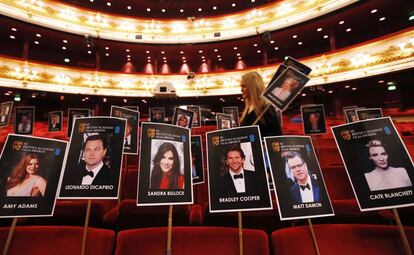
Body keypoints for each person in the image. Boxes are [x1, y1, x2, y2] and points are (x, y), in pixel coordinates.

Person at [240, 71, 281, 137]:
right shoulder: (247, 109)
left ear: (253, 87)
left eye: (244, 86)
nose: (241, 90)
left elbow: (276, 136)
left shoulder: (267, 108)